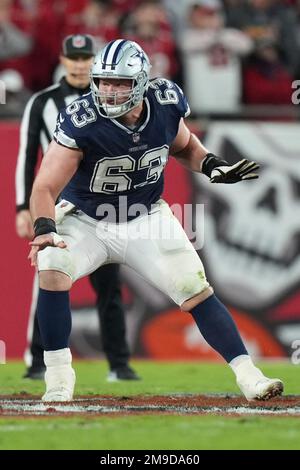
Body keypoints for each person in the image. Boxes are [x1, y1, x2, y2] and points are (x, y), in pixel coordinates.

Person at [28, 38, 283, 402]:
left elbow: (185, 145)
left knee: (194, 289)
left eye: (120, 83)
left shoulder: (165, 102)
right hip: (86, 219)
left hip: (145, 217)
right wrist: (45, 229)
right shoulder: (83, 119)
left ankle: (249, 376)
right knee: (52, 264)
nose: (109, 91)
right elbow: (44, 186)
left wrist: (212, 165)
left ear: (143, 82)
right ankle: (57, 378)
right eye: (103, 81)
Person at [15, 34, 140, 382]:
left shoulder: (112, 99)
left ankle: (119, 363)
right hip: (56, 203)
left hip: (99, 203)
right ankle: (38, 360)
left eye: (87, 58)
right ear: (64, 59)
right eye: (75, 57)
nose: (81, 64)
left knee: (109, 284)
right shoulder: (42, 102)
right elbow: (28, 157)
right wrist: (22, 206)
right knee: (49, 278)